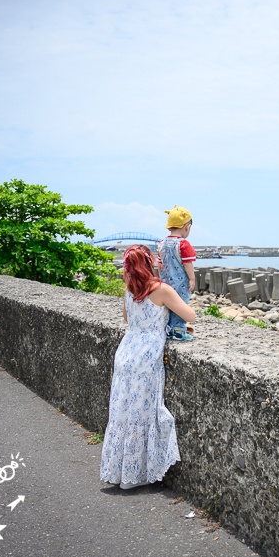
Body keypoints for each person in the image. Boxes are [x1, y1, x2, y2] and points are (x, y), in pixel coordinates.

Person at [99, 244, 196, 490]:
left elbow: (126, 319)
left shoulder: (130, 290)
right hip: (147, 356)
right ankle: (139, 473)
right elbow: (190, 315)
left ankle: (120, 471)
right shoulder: (161, 289)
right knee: (144, 412)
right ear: (150, 262)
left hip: (126, 352)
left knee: (123, 413)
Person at [156, 205, 197, 341]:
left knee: (166, 306)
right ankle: (178, 331)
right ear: (187, 227)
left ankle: (166, 328)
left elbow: (160, 265)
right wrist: (191, 279)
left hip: (165, 283)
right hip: (180, 283)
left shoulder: (161, 243)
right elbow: (187, 264)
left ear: (169, 227)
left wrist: (161, 279)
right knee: (180, 305)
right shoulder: (184, 245)